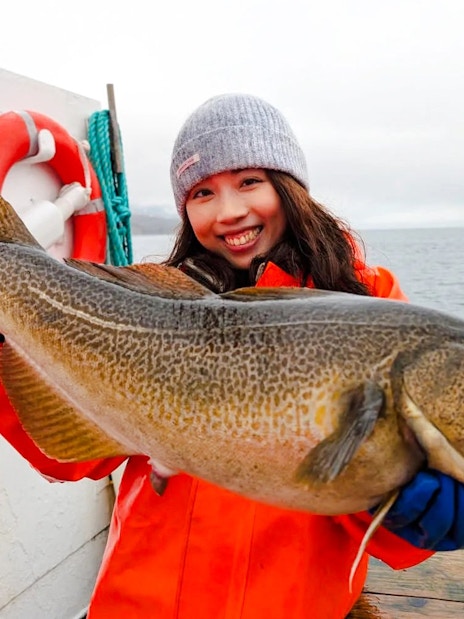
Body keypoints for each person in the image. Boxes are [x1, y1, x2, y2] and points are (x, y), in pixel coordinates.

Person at [1, 93, 463, 619]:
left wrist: (412, 526)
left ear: (288, 186)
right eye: (202, 192)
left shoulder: (370, 300)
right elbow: (80, 452)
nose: (229, 211)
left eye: (249, 182)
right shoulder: (148, 303)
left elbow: (387, 540)